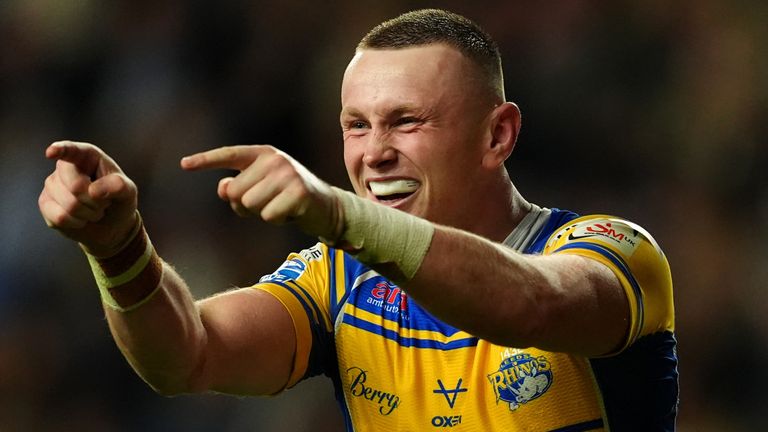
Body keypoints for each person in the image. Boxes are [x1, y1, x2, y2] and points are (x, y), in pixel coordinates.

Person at [38, 9, 678, 431]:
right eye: (356, 126)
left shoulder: (614, 253)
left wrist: (340, 214)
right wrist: (119, 248)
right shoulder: (339, 280)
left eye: (407, 121)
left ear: (498, 135)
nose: (373, 152)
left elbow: (532, 305)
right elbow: (187, 356)